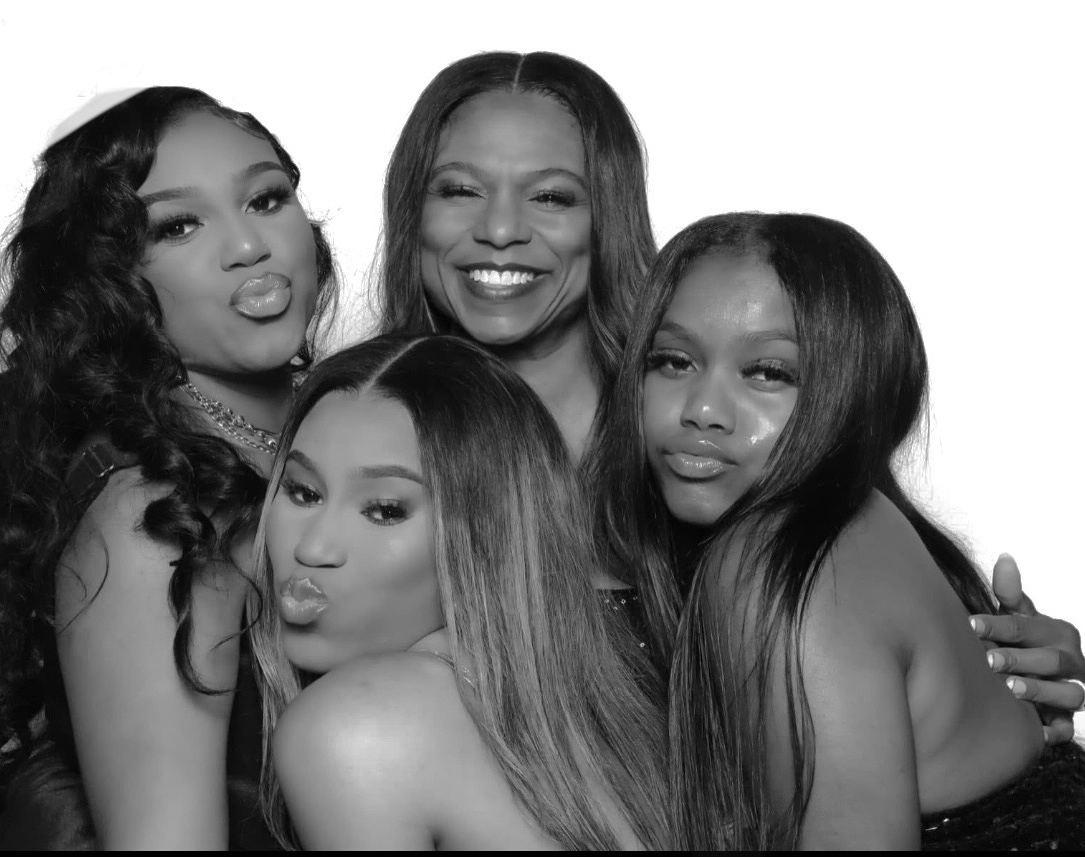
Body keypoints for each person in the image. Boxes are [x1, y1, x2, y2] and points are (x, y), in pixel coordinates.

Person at [377, 48, 1085, 727]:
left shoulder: (701, 423)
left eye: (551, 196)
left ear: (607, 218)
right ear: (414, 210)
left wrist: (994, 666)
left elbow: (861, 598)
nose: (500, 229)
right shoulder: (355, 421)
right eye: (459, 190)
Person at [607, 211, 1085, 849]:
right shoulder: (859, 530)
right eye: (673, 361)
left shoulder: (781, 562)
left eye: (768, 373)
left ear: (853, 391)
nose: (703, 410)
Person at [0, 86, 336, 849]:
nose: (247, 246)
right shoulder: (149, 513)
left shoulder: (349, 421)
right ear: (109, 278)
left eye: (265, 198)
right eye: (179, 225)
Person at [249, 333, 669, 850]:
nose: (313, 548)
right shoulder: (576, 716)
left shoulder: (357, 727)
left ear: (487, 535)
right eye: (303, 492)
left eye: (384, 510)